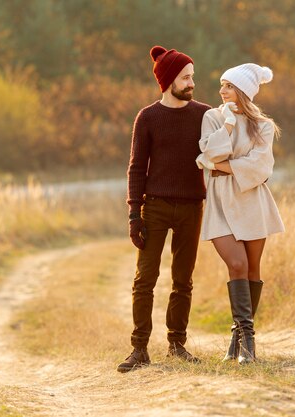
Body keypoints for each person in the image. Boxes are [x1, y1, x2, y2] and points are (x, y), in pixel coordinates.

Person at [117, 46, 210, 373]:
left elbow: (226, 149)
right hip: (154, 207)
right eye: (186, 77)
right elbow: (136, 168)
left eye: (192, 77)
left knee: (183, 279)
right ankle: (139, 348)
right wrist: (134, 214)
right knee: (145, 279)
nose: (191, 83)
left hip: (191, 207)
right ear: (169, 79)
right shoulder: (148, 117)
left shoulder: (205, 115)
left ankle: (176, 344)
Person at [195, 63, 284, 364]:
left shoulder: (264, 126)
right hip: (220, 202)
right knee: (236, 263)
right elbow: (209, 152)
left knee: (252, 269)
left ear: (243, 91)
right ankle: (245, 340)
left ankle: (243, 341)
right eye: (221, 85)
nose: (222, 91)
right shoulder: (212, 117)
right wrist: (229, 127)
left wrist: (218, 166)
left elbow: (261, 168)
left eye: (228, 86)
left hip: (252, 201)